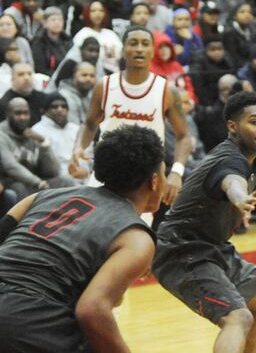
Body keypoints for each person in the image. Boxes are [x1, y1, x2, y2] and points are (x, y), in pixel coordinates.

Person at [0, 125, 165, 352]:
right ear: (155, 181)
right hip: (27, 320)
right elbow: (92, 311)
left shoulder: (42, 197)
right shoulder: (136, 238)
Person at [153, 91, 256, 353]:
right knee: (238, 317)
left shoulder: (244, 157)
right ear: (232, 126)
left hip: (212, 247)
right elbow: (230, 180)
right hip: (181, 251)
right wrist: (239, 197)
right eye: (255, 122)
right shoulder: (229, 159)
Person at [68, 26, 190, 210]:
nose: (139, 48)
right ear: (123, 50)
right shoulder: (105, 85)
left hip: (147, 175)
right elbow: (89, 124)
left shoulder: (166, 90)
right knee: (96, 230)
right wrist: (78, 149)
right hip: (107, 171)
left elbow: (184, 136)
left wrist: (177, 172)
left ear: (152, 51)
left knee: (134, 234)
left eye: (145, 44)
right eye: (133, 43)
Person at [31, 92, 80, 180]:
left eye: (64, 106)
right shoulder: (37, 131)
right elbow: (44, 167)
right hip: (54, 179)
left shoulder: (76, 129)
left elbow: (87, 156)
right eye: (54, 107)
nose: (60, 110)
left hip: (81, 176)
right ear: (44, 111)